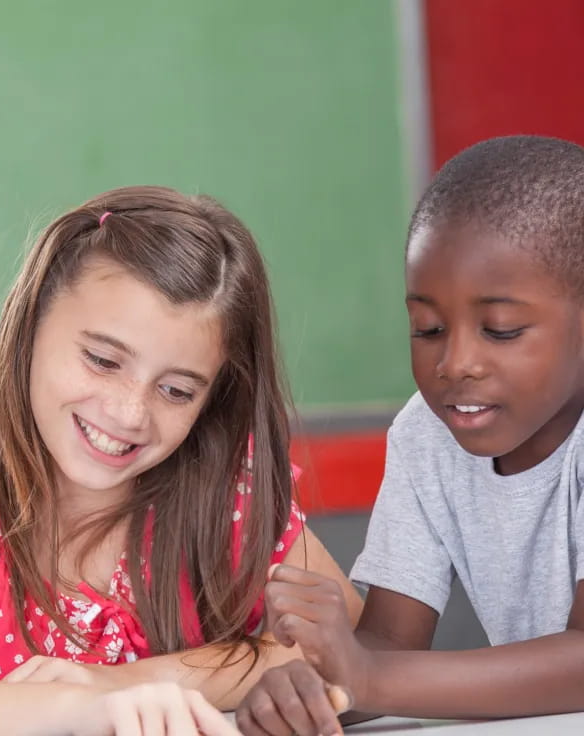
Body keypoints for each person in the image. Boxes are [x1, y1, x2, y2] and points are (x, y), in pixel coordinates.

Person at [0, 185, 363, 735]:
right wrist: (80, 709)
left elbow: (353, 647)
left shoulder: (229, 501)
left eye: (176, 391)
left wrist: (125, 685)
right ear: (29, 323)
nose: (129, 413)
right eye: (103, 360)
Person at [235, 135, 584, 736]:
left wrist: (369, 676)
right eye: (428, 328)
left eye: (500, 330)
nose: (455, 363)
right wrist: (315, 689)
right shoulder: (428, 434)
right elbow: (390, 643)